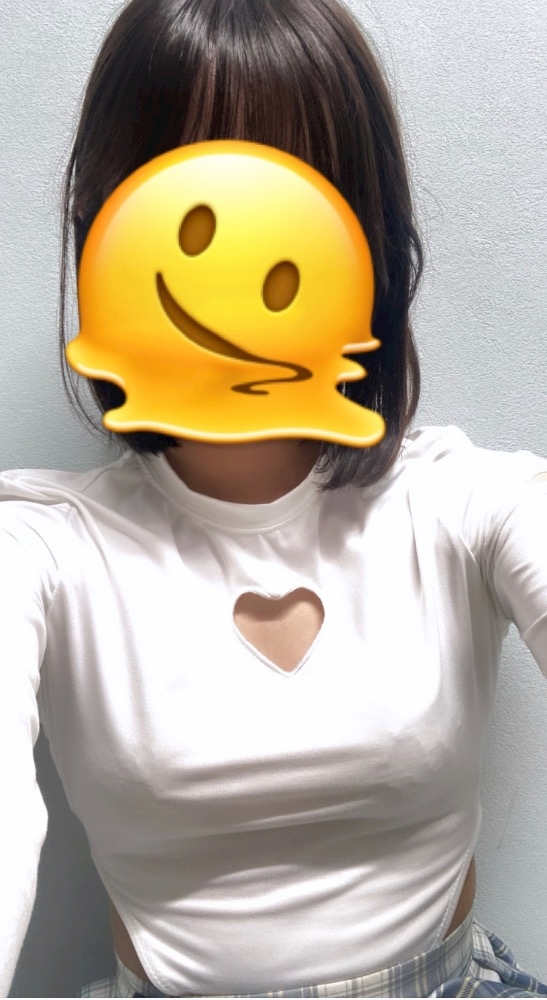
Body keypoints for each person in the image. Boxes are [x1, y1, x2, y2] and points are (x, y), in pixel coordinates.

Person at [1, 0, 546, 996]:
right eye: (186, 201)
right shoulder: (42, 545)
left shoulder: (468, 502)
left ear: (367, 239)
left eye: (287, 198)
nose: (236, 269)